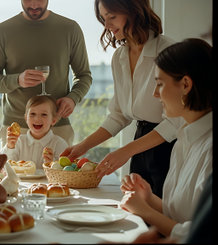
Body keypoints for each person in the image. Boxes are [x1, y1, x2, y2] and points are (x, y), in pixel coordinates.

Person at [61, 0, 183, 198]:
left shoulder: (168, 51)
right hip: (140, 145)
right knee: (139, 211)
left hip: (167, 148)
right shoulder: (119, 57)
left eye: (112, 17)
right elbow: (119, 115)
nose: (106, 26)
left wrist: (126, 150)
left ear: (134, 12)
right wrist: (82, 147)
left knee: (164, 215)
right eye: (103, 18)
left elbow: (176, 122)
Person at [119, 38, 213, 241]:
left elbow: (196, 233)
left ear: (186, 84)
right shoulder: (183, 140)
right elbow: (179, 214)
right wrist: (149, 198)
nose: (155, 94)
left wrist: (145, 211)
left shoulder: (209, 149)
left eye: (160, 84)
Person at [0, 0, 92, 148]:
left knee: (58, 172)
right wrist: (17, 80)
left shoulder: (70, 29)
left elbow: (84, 75)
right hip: (16, 130)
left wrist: (73, 98)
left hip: (57, 128)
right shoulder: (3, 31)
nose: (34, 6)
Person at [0, 95, 68, 168]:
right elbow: (4, 166)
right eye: (32, 114)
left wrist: (51, 163)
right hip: (21, 179)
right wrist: (10, 147)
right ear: (26, 118)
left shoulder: (59, 144)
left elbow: (64, 172)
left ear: (53, 120)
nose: (37, 119)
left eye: (44, 114)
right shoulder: (19, 141)